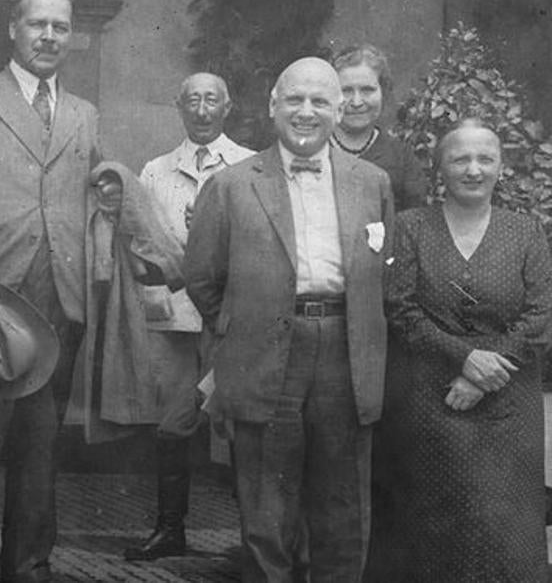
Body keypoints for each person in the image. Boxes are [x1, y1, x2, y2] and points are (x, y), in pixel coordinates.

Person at [184, 57, 394, 582]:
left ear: (339, 108)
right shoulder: (233, 185)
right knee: (267, 513)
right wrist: (246, 327)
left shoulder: (373, 183)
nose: (306, 112)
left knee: (343, 513)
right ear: (272, 106)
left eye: (320, 101)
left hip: (345, 354)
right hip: (264, 357)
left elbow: (383, 278)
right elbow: (203, 279)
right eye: (294, 100)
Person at [0, 0, 97, 583]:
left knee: (40, 450)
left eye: (61, 27)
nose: (50, 37)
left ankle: (29, 566)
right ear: (14, 28)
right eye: (39, 24)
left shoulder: (85, 114)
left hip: (57, 302)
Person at [374, 119, 552, 581]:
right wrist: (463, 358)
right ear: (440, 168)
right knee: (431, 524)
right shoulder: (411, 227)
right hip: (430, 401)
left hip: (508, 404)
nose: (473, 169)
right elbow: (400, 307)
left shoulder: (527, 232)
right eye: (460, 159)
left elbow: (541, 314)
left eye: (485, 159)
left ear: (501, 168)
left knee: (505, 527)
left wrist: (485, 371)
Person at [122, 73, 253, 561]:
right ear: (178, 106)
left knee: (242, 423)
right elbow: (139, 241)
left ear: (228, 106)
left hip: (230, 323)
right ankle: (169, 528)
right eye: (193, 100)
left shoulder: (248, 166)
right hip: (176, 320)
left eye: (211, 100)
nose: (202, 110)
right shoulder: (155, 171)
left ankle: (251, 540)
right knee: (173, 425)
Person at [331, 44, 428, 211]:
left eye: (367, 90)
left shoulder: (402, 158)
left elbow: (414, 222)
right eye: (346, 91)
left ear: (383, 91)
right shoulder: (314, 149)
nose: (356, 102)